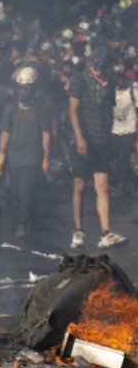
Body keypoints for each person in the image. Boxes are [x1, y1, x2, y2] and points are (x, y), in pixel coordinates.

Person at [68, 55, 128, 249]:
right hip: (83, 140)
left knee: (102, 186)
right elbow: (73, 110)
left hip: (102, 140)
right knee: (79, 185)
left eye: (102, 68)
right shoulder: (80, 80)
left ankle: (106, 232)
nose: (99, 72)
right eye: (96, 68)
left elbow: (110, 111)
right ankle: (78, 229)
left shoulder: (109, 82)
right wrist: (79, 137)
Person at [0, 67, 50, 238]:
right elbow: (5, 132)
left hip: (32, 157)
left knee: (26, 190)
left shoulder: (40, 110)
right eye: (20, 88)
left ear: (33, 89)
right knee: (15, 193)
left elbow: (45, 134)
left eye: (26, 88)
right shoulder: (11, 109)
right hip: (14, 158)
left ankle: (22, 223)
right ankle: (26, 217)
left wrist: (46, 158)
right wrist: (1, 155)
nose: (22, 92)